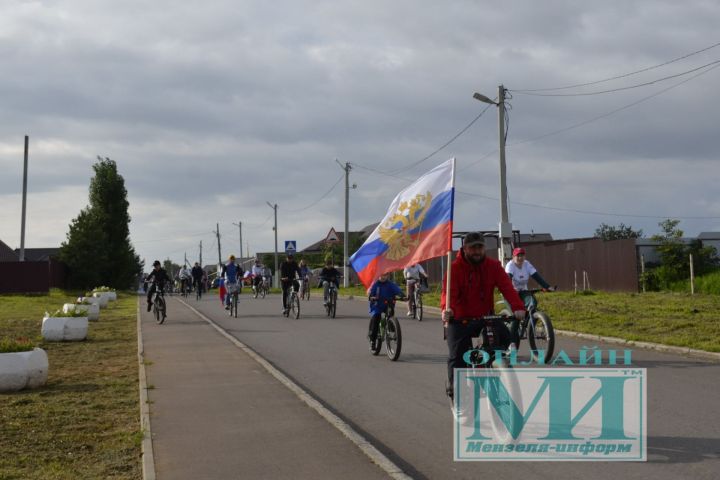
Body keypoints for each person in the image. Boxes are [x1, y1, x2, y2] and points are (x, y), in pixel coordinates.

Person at [440, 232, 525, 401]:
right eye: (473, 248)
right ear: (464, 249)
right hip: (460, 319)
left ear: (484, 248)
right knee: (458, 357)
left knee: (507, 339)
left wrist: (518, 307)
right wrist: (447, 310)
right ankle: (455, 392)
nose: (477, 251)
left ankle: (497, 369)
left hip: (486, 318)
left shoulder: (493, 266)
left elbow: (507, 287)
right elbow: (448, 294)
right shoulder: (455, 269)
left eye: (480, 247)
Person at [504, 247, 554, 347]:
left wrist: (547, 286)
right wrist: (511, 291)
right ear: (513, 257)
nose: (520, 258)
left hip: (523, 291)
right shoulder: (510, 266)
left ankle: (530, 326)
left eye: (522, 255)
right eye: (518, 255)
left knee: (533, 304)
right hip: (510, 293)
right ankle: (512, 342)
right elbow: (507, 281)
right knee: (516, 316)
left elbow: (536, 276)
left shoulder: (527, 264)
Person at [367, 272, 405, 345]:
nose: (383, 277)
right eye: (382, 275)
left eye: (385, 275)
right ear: (379, 275)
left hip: (388, 304)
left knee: (390, 315)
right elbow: (370, 291)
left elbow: (398, 290)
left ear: (388, 276)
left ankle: (392, 331)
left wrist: (403, 296)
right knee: (376, 318)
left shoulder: (390, 284)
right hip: (377, 305)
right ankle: (373, 340)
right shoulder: (375, 284)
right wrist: (371, 296)